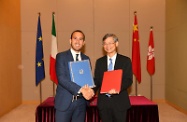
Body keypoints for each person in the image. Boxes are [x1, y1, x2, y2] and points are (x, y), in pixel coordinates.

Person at [55, 30, 95, 122]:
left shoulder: (86, 59)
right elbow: (61, 78)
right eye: (75, 38)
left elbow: (87, 80)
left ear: (84, 43)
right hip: (65, 102)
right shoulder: (61, 56)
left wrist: (90, 90)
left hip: (81, 103)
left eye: (81, 39)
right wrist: (81, 90)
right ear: (70, 41)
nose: (78, 41)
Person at [94, 33, 133, 122]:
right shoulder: (100, 62)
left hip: (120, 102)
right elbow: (97, 80)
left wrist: (117, 88)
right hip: (104, 102)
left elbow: (128, 80)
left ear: (116, 44)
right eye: (105, 43)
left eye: (110, 43)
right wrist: (91, 91)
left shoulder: (125, 61)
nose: (108, 46)